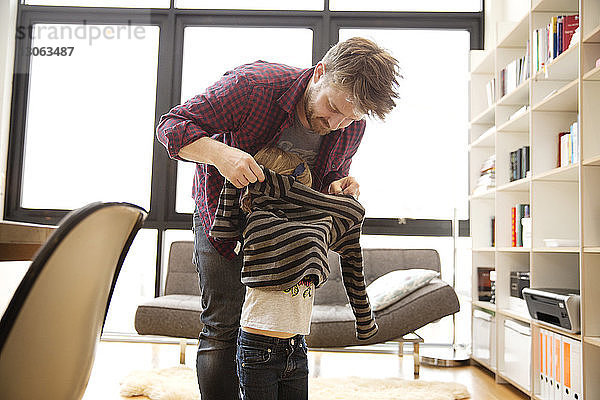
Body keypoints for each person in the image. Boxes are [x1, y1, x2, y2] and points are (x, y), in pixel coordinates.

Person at [156, 36, 401, 400]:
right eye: (333, 107)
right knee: (223, 324)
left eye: (352, 116)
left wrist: (337, 186)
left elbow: (324, 178)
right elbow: (172, 127)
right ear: (320, 73)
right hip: (223, 221)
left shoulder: (351, 124)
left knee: (277, 336)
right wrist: (222, 155)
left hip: (281, 236)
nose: (336, 123)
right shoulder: (254, 86)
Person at [209, 146, 378, 400]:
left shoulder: (317, 227)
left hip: (296, 346)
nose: (304, 197)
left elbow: (353, 252)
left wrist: (364, 319)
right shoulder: (258, 222)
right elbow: (220, 231)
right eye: (299, 189)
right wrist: (239, 176)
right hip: (257, 348)